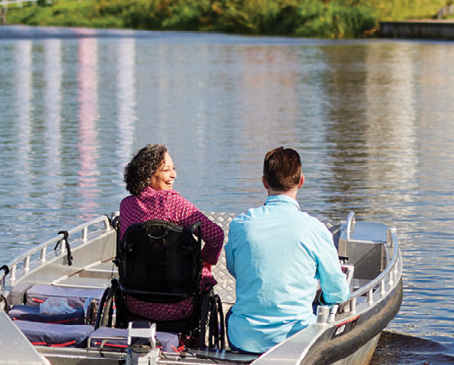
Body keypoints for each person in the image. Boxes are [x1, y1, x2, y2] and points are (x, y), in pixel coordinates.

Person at [225, 147, 351, 354]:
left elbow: (235, 268)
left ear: (264, 182)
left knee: (233, 313)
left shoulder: (241, 224)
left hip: (244, 338)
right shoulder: (315, 229)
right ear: (301, 181)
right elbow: (337, 291)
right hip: (296, 339)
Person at [117, 144, 224, 324]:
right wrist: (206, 260)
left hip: (135, 303)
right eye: (167, 170)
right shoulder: (172, 202)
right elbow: (216, 235)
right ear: (147, 175)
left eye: (173, 169)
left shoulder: (126, 205)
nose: (174, 175)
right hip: (179, 306)